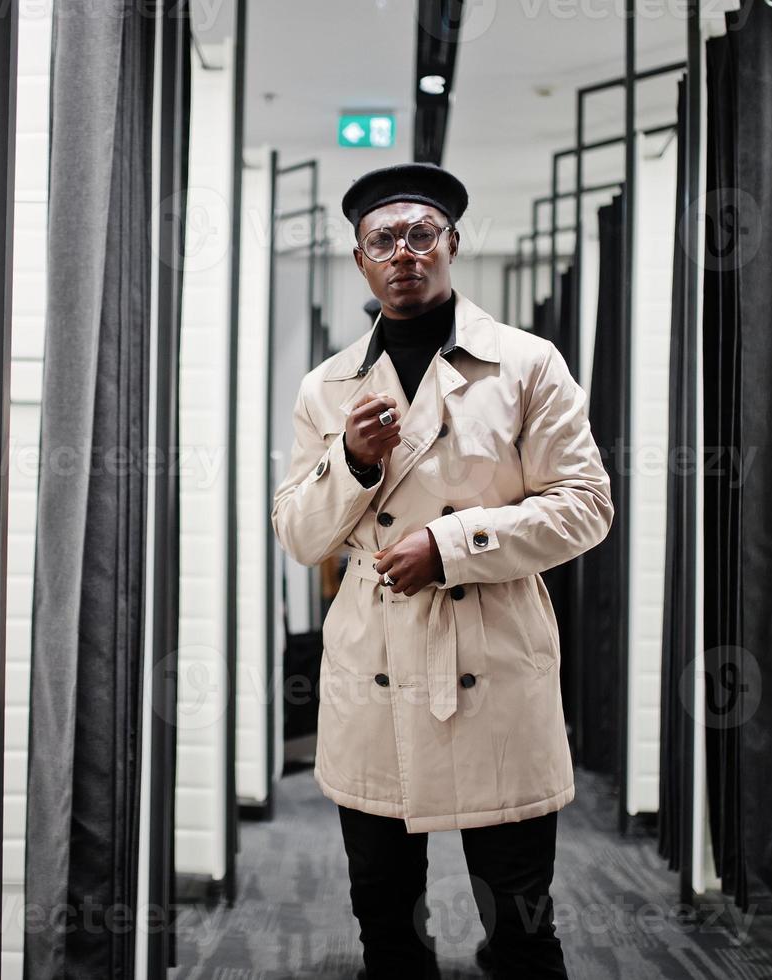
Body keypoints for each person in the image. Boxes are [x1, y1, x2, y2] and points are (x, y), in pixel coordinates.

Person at [270, 162, 614, 979]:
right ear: (359, 260)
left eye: (421, 235)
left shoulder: (527, 364)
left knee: (523, 927)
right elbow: (296, 535)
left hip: (490, 654)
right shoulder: (328, 386)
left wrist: (453, 547)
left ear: (452, 244)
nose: (403, 253)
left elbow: (586, 505)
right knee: (385, 923)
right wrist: (350, 461)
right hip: (375, 660)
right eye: (382, 239)